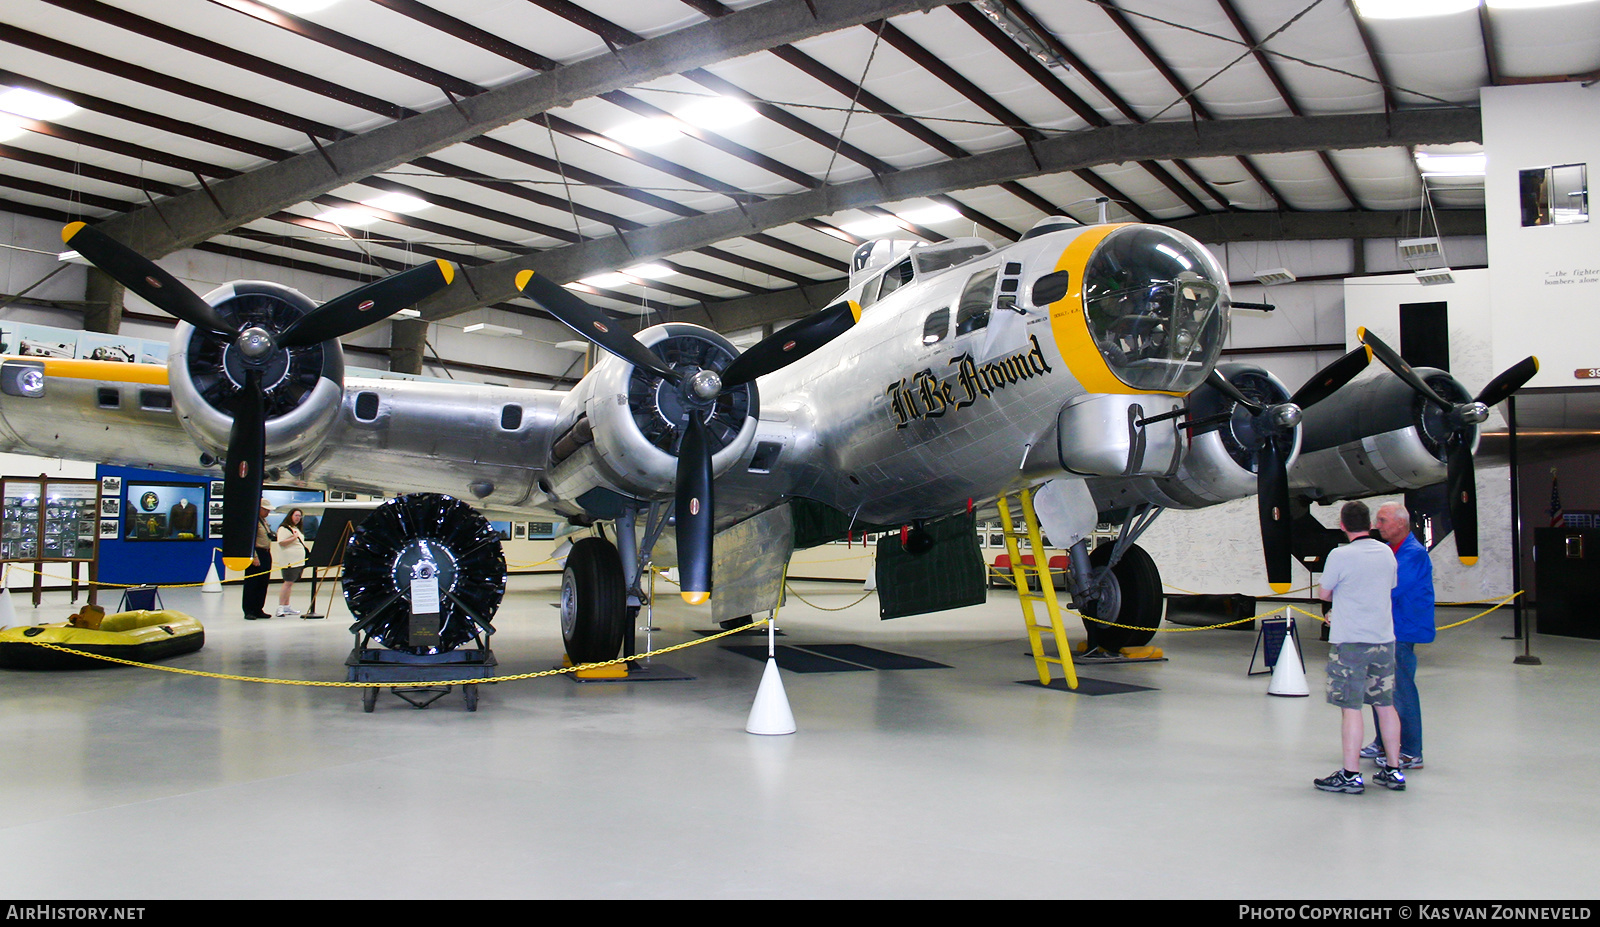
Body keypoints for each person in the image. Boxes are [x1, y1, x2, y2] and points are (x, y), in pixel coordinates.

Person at [1314, 500, 1405, 794]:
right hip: (1383, 640)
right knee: (1385, 704)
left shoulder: (1340, 555)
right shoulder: (1387, 554)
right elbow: (1389, 587)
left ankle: (1351, 774)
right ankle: (1393, 769)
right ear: (1370, 524)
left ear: (1342, 525)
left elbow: (1325, 592)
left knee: (1351, 708)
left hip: (1351, 641)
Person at [1361, 501, 1434, 770]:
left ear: (1400, 523)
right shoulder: (1391, 550)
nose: (1376, 526)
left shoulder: (1412, 554)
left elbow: (1392, 587)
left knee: (1401, 690)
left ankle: (1412, 751)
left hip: (1401, 630)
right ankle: (1383, 742)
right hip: (1385, 628)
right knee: (1380, 688)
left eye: (1382, 521)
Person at [242, 500, 273, 621]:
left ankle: (258, 608)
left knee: (263, 582)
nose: (268, 512)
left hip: (266, 553)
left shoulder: (264, 521)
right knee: (252, 583)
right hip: (256, 553)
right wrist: (254, 556)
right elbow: (249, 540)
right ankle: (249, 610)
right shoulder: (253, 521)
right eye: (265, 509)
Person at [275, 508, 308, 617]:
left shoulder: (296, 528)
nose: (298, 518)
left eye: (300, 516)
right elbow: (281, 542)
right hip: (290, 561)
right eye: (296, 515)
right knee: (287, 582)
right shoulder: (284, 528)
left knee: (290, 583)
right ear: (290, 516)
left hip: (298, 561)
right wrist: (293, 538)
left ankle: (286, 606)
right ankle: (280, 607)